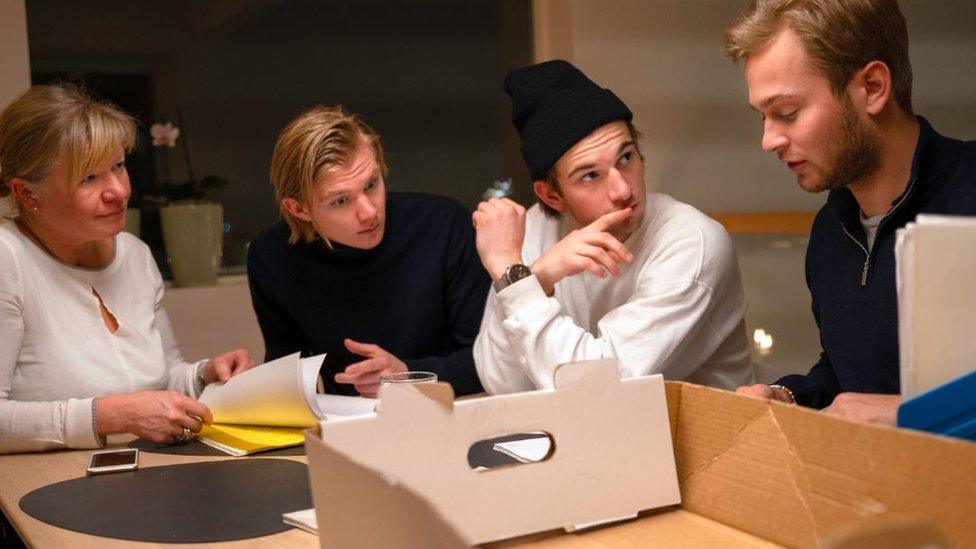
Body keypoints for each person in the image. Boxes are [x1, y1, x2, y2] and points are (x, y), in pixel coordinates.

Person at [724, 0, 976, 424]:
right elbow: (846, 375)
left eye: (787, 113)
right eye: (764, 117)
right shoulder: (830, 231)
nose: (768, 140)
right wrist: (789, 396)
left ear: (873, 87)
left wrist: (909, 415)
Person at [472, 60, 754, 393]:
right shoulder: (531, 232)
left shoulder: (693, 242)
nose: (623, 190)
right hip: (585, 438)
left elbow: (598, 389)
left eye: (626, 158)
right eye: (590, 175)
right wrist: (536, 279)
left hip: (701, 439)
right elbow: (505, 388)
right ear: (551, 195)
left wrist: (518, 279)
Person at [0, 85, 254, 454]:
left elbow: (163, 378)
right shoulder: (8, 259)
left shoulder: (135, 255)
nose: (119, 191)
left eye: (118, 166)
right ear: (26, 194)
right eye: (88, 178)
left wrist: (204, 376)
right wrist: (112, 415)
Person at [247, 106, 489, 398]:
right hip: (348, 427)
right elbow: (287, 376)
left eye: (371, 184)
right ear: (299, 209)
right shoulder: (272, 257)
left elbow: (490, 360)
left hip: (452, 413)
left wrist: (407, 374)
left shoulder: (443, 224)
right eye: (341, 201)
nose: (369, 212)